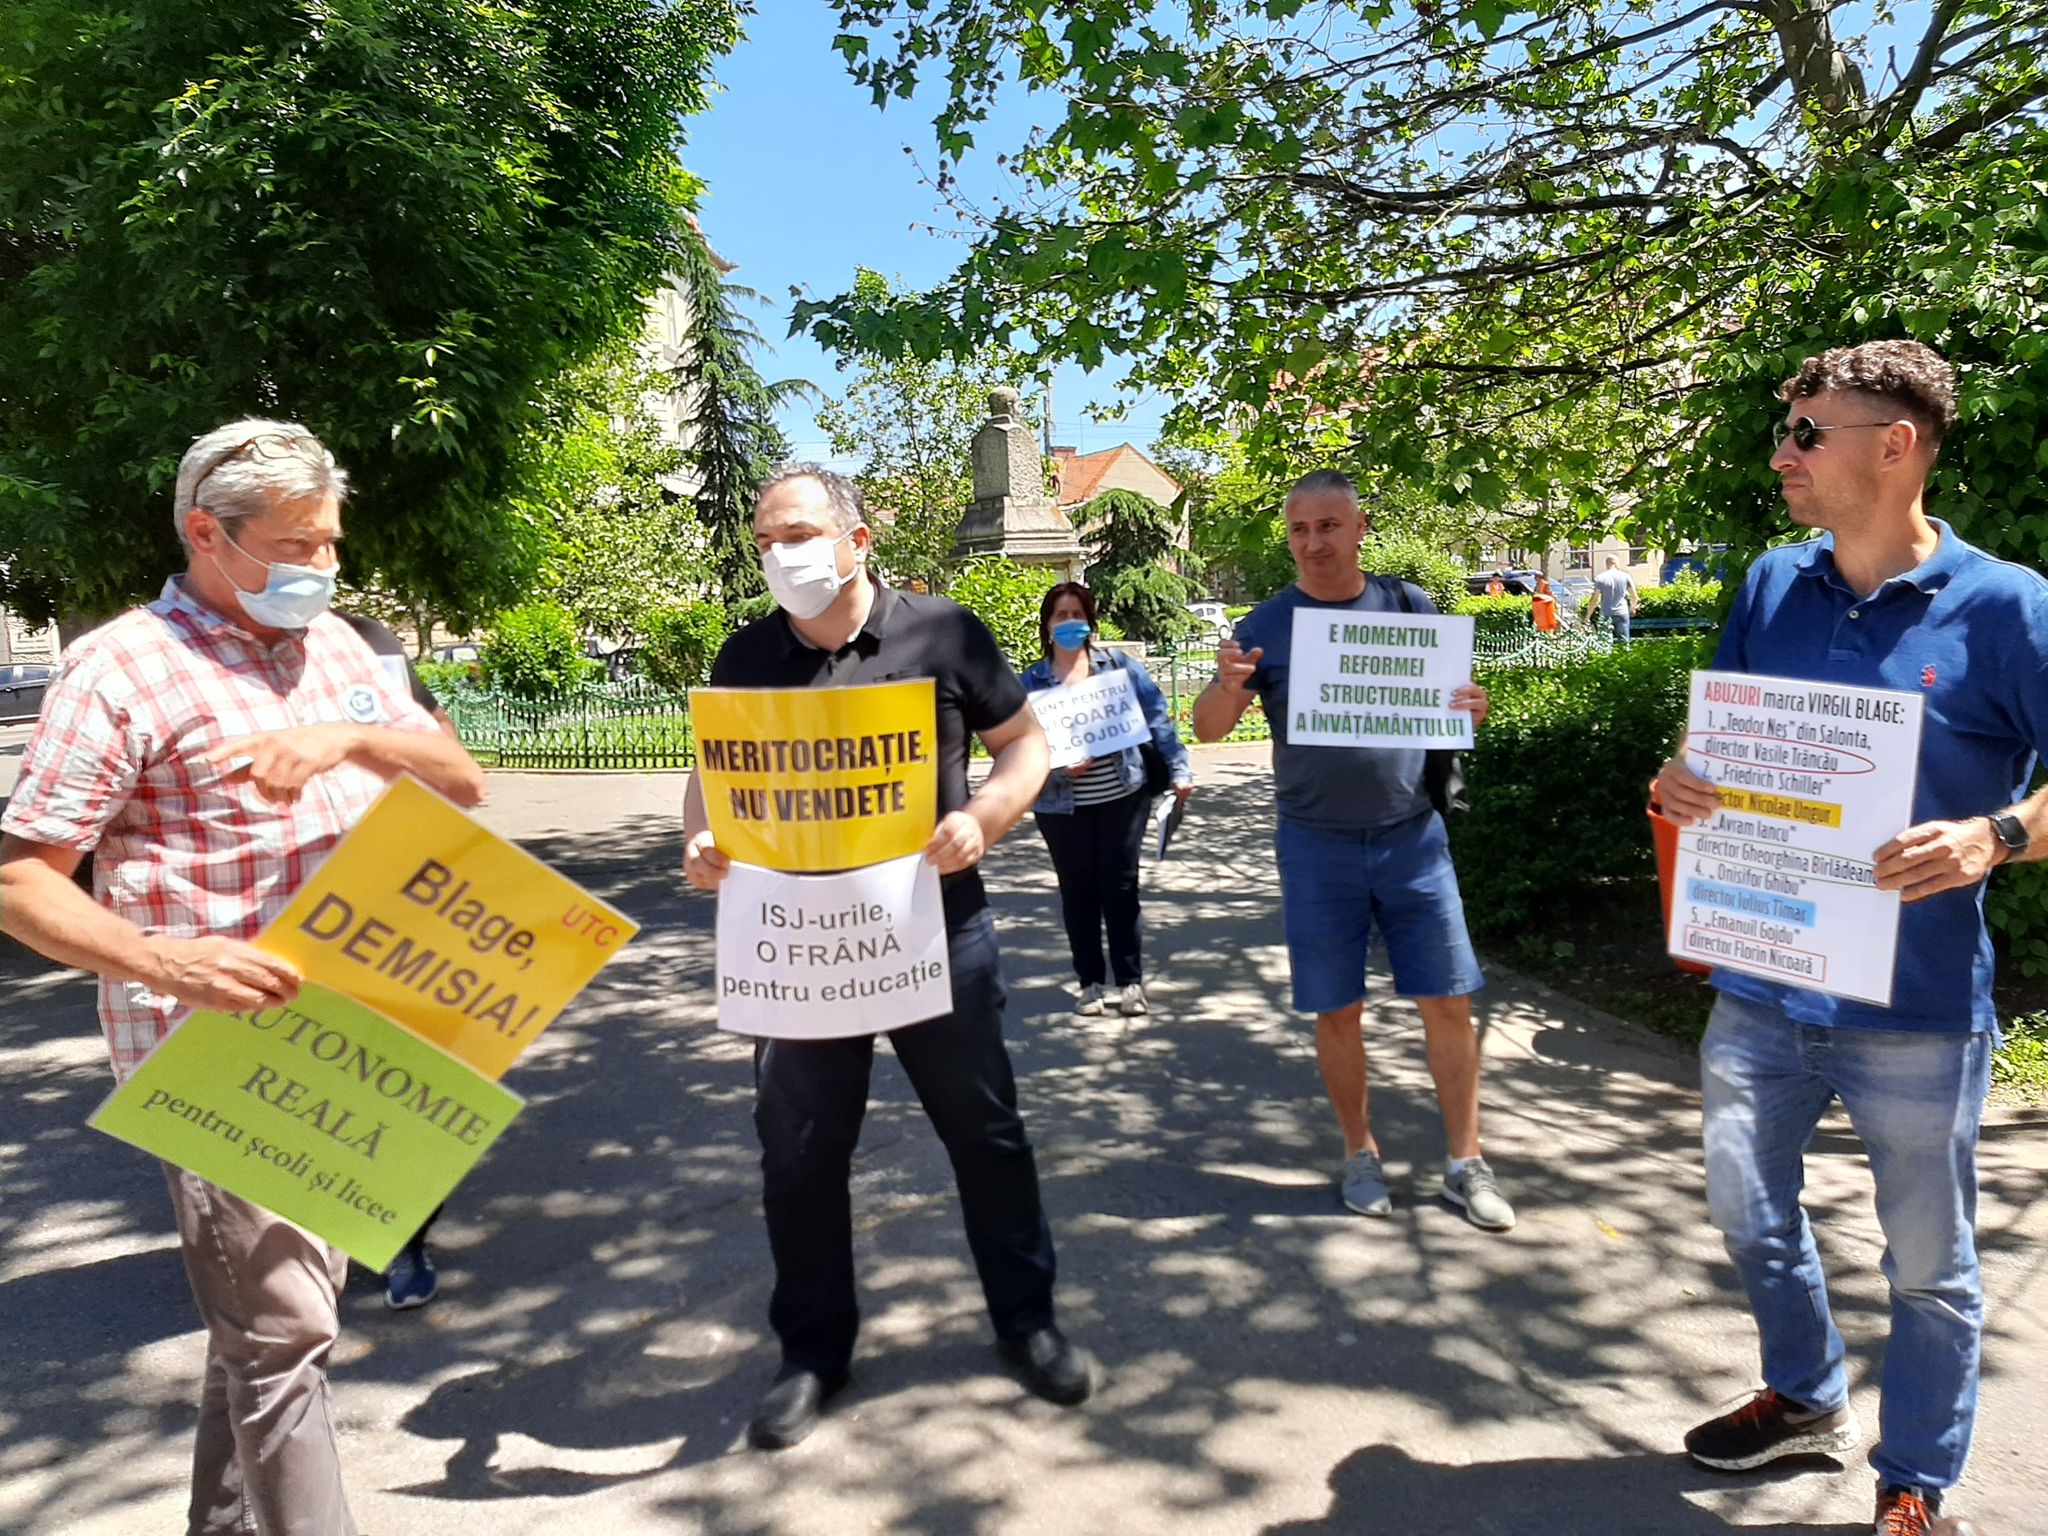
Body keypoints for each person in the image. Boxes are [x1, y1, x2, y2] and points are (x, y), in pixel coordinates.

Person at [0, 419, 486, 1536]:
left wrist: (349, 739)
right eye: (297, 546)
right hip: (216, 1054)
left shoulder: (343, 656)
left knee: (263, 1329)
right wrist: (164, 959)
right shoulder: (118, 669)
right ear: (205, 534)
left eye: (330, 544)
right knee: (283, 1339)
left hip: (360, 1030)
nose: (322, 569)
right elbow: (25, 883)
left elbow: (457, 778)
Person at [1654, 342, 2039, 1536]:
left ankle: (1912, 1478)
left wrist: (1998, 836)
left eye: (1808, 432)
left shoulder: (2011, 606)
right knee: (1742, 1211)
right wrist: (1682, 784)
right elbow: (1714, 751)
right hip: (1760, 983)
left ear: (1894, 443)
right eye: (1786, 432)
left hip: (1913, 1009)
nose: (1783, 453)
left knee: (1925, 1264)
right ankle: (1805, 1395)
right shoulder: (1770, 584)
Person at [682, 463, 1092, 1450]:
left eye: (800, 534)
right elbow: (710, 781)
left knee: (984, 1136)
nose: (783, 554)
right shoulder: (746, 656)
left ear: (857, 540)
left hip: (935, 936)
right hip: (798, 952)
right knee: (798, 1156)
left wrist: (982, 819)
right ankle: (812, 1352)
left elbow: (1023, 747)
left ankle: (1026, 1322)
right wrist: (698, 841)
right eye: (766, 540)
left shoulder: (940, 634)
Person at [1190, 469, 1513, 1231]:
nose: (1313, 544)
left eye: (1329, 527)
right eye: (1300, 530)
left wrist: (1473, 706)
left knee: (1448, 1000)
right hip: (1314, 845)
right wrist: (1228, 685)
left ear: (1360, 527)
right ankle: (1358, 1153)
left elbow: (1451, 713)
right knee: (1337, 1009)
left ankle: (1466, 1163)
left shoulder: (1408, 607)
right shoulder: (1265, 624)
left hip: (1412, 839)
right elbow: (1206, 729)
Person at [336, 611, 458, 1312]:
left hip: (396, 892)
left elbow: (439, 734)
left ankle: (404, 1233)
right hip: (282, 908)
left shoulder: (367, 642)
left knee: (408, 1075)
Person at [1020, 583, 1193, 1017]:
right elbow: (1017, 746)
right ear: (1047, 625)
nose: (1069, 623)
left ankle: (1131, 982)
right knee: (1077, 893)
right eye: (1060, 615)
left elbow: (1158, 719)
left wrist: (1179, 770)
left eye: (1077, 614)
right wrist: (1059, 767)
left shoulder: (1118, 669)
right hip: (1061, 807)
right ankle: (1090, 984)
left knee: (1120, 888)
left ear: (1090, 621)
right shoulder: (1030, 682)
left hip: (1122, 796)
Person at [1593, 555, 1637, 642]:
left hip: (1606, 612)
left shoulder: (1600, 578)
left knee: (1604, 642)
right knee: (1624, 642)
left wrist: (1588, 615)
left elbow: (1595, 598)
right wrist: (1632, 608)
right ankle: (1625, 654)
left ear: (1606, 564)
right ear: (1617, 563)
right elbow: (1634, 596)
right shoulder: (1625, 576)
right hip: (1622, 612)